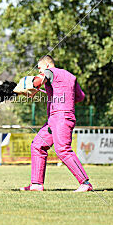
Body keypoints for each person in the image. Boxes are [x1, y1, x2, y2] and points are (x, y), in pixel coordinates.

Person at [19, 55, 93, 192]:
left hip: (60, 118)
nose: (40, 71)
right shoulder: (71, 76)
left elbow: (37, 82)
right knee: (37, 145)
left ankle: (86, 183)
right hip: (56, 119)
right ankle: (36, 184)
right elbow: (80, 97)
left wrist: (27, 88)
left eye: (39, 68)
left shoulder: (49, 72)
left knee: (63, 149)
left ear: (46, 65)